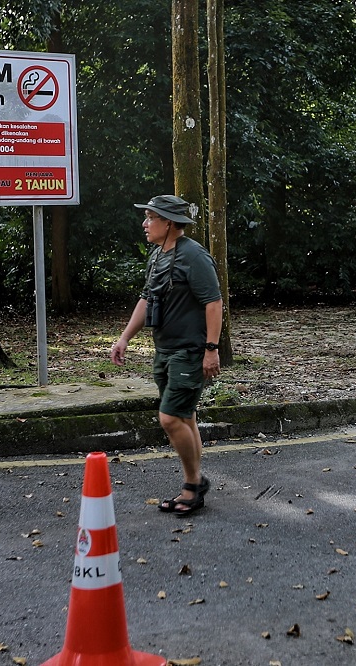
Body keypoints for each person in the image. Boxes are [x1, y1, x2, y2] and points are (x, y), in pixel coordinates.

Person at [110, 195, 223, 515]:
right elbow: (147, 300)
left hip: (189, 352)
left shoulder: (194, 256)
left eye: (150, 218)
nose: (145, 224)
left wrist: (211, 350)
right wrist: (125, 338)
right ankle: (195, 483)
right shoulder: (158, 256)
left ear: (169, 223)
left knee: (170, 417)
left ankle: (192, 485)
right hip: (164, 350)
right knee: (185, 416)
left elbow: (214, 303)